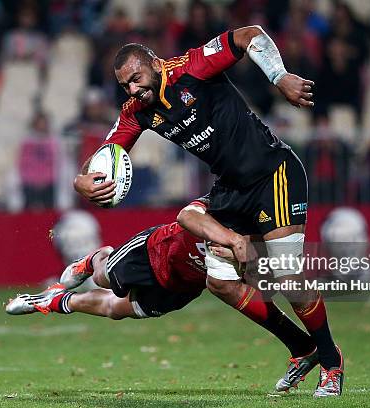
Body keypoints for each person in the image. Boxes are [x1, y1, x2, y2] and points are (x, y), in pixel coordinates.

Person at [73, 25, 343, 396]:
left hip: (273, 172)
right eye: (125, 86)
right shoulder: (137, 111)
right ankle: (302, 348)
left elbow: (250, 34)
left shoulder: (193, 67)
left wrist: (279, 77)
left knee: (286, 275)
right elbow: (103, 158)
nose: (133, 89)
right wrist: (81, 180)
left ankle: (331, 362)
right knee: (219, 282)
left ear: (155, 63)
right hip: (230, 189)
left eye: (136, 79)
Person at [7, 199, 318, 391]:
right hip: (156, 251)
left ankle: (55, 300)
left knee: (117, 310)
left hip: (183, 285)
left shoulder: (270, 237)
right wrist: (228, 239)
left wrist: (254, 266)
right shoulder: (225, 203)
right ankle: (96, 258)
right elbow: (189, 214)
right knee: (104, 277)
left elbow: (258, 283)